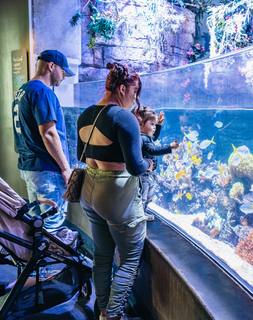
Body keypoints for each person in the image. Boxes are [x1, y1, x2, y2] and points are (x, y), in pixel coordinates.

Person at [77, 62, 152, 320]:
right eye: (135, 92)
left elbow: (80, 154)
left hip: (88, 191)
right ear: (122, 88)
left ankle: (100, 307)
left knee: (102, 253)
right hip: (115, 195)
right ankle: (112, 315)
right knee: (130, 259)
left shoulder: (85, 114)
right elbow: (135, 167)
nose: (135, 99)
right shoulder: (124, 117)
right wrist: (149, 163)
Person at [12, 49, 74, 231]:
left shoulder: (23, 91)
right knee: (52, 222)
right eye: (63, 72)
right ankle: (45, 258)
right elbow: (49, 133)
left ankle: (33, 258)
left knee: (36, 221)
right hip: (47, 169)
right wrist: (65, 168)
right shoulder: (43, 92)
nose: (64, 77)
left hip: (30, 167)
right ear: (51, 66)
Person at [131, 107, 179, 221]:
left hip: (149, 174)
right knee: (143, 195)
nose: (153, 127)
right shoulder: (142, 138)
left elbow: (154, 136)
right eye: (151, 124)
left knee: (148, 196)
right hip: (144, 175)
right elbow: (153, 150)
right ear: (140, 124)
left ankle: (143, 211)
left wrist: (158, 124)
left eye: (154, 124)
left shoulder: (145, 136)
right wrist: (169, 147)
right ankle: (140, 214)